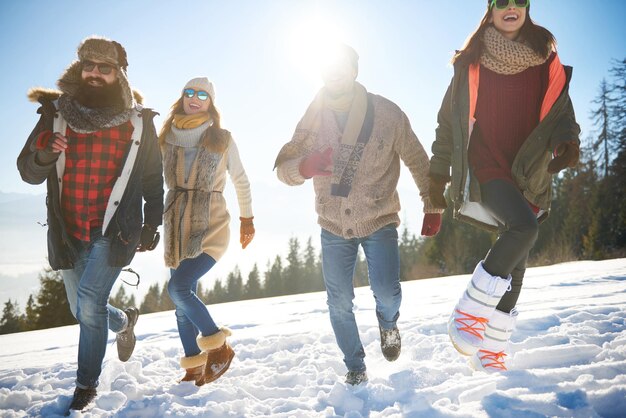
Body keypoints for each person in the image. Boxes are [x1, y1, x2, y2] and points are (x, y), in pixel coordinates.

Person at [274, 44, 442, 385]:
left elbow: (417, 158)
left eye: (341, 65)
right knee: (338, 301)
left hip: (379, 218)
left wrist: (432, 204)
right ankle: (355, 365)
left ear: (353, 70)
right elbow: (283, 168)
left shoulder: (387, 113)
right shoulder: (312, 118)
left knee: (387, 291)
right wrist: (304, 167)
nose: (334, 72)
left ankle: (388, 323)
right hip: (333, 224)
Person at [429, 0, 580, 372]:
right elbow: (448, 123)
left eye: (520, 0)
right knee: (523, 228)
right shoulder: (471, 61)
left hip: (528, 171)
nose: (511, 6)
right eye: (502, 1)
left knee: (519, 259)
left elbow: (561, 112)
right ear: (490, 8)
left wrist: (567, 142)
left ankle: (490, 350)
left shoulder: (546, 57)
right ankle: (469, 310)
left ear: (528, 7)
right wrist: (437, 174)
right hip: (487, 164)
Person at [17, 36, 164, 412]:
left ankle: (86, 385)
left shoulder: (137, 121)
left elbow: (151, 177)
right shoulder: (57, 114)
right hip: (69, 231)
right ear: (79, 68)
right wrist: (46, 151)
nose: (95, 73)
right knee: (80, 308)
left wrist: (151, 224)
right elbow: (28, 173)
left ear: (119, 74)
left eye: (105, 68)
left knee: (89, 304)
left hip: (114, 231)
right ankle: (125, 320)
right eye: (89, 66)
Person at [159, 77, 255, 386]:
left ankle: (218, 346)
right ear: (182, 97)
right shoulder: (166, 137)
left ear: (210, 102)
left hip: (212, 225)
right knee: (182, 301)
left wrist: (247, 219)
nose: (195, 98)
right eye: (189, 92)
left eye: (202, 94)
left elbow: (240, 179)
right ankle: (193, 368)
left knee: (179, 288)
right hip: (177, 225)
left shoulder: (221, 138)